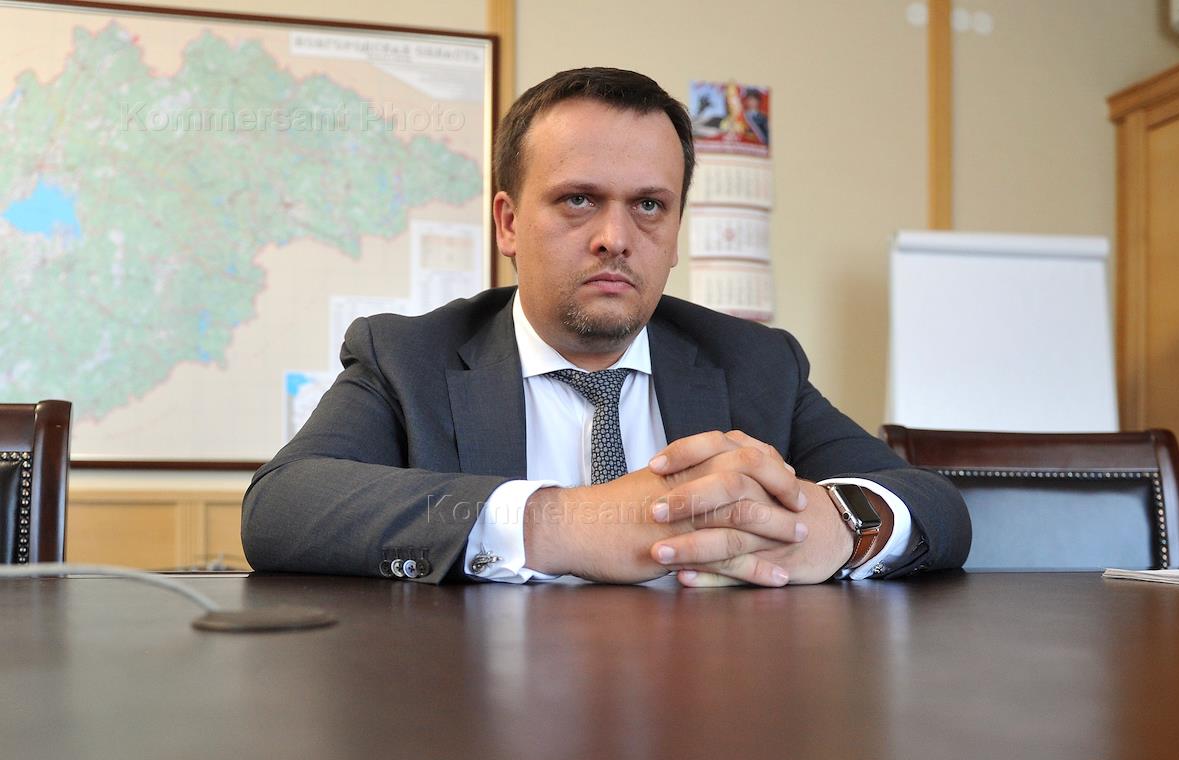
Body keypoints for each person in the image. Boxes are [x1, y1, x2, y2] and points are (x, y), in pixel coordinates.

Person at [241, 67, 970, 587]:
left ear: (676, 231)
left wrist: (839, 527)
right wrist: (564, 523)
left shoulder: (754, 364)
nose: (615, 238)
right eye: (579, 200)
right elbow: (282, 506)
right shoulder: (409, 358)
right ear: (507, 223)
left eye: (650, 206)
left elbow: (935, 504)